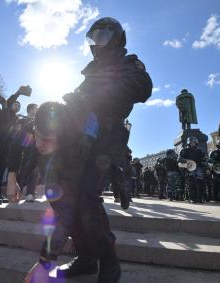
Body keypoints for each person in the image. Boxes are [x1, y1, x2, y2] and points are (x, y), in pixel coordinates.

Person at [19, 16, 152, 283]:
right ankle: (86, 257)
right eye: (92, 39)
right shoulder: (89, 72)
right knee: (71, 200)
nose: (96, 44)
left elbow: (142, 88)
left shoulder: (129, 65)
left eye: (101, 37)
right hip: (80, 141)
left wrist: (96, 96)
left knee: (89, 199)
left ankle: (109, 262)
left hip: (107, 139)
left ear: (116, 38)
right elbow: (75, 107)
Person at [179, 136, 207, 203]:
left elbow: (204, 159)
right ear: (188, 143)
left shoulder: (199, 151)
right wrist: (187, 161)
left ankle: (200, 198)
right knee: (191, 184)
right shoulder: (184, 150)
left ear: (196, 143)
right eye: (191, 142)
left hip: (199, 168)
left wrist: (204, 164)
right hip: (190, 168)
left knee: (200, 183)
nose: (192, 143)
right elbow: (179, 159)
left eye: (193, 142)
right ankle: (192, 198)